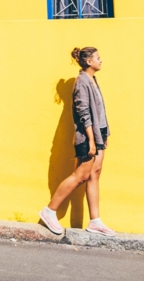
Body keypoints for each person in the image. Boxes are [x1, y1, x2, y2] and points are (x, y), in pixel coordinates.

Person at [39, 47, 115, 237]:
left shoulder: (92, 79)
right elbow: (83, 113)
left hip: (98, 135)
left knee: (94, 174)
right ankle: (49, 211)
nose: (101, 60)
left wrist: (103, 136)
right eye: (98, 58)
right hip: (87, 137)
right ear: (89, 62)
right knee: (80, 175)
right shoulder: (82, 82)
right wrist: (91, 140)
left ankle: (95, 221)